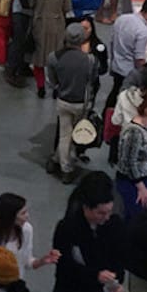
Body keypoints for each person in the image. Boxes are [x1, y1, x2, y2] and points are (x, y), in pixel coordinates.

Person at [46, 22, 99, 181]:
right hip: (81, 102)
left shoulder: (53, 57)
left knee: (65, 135)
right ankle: (66, 168)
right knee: (74, 135)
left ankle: (57, 160)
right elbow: (93, 79)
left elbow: (52, 81)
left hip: (63, 100)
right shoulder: (90, 60)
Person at [107, 0, 147, 108]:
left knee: (114, 92)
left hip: (116, 64)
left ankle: (106, 117)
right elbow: (139, 58)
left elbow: (112, 41)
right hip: (128, 71)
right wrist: (145, 75)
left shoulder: (122, 18)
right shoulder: (143, 31)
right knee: (125, 100)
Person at [28, 0, 71, 98]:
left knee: (38, 59)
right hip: (57, 26)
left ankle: (41, 87)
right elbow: (67, 8)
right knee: (57, 58)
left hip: (39, 25)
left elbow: (30, 3)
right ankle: (56, 87)